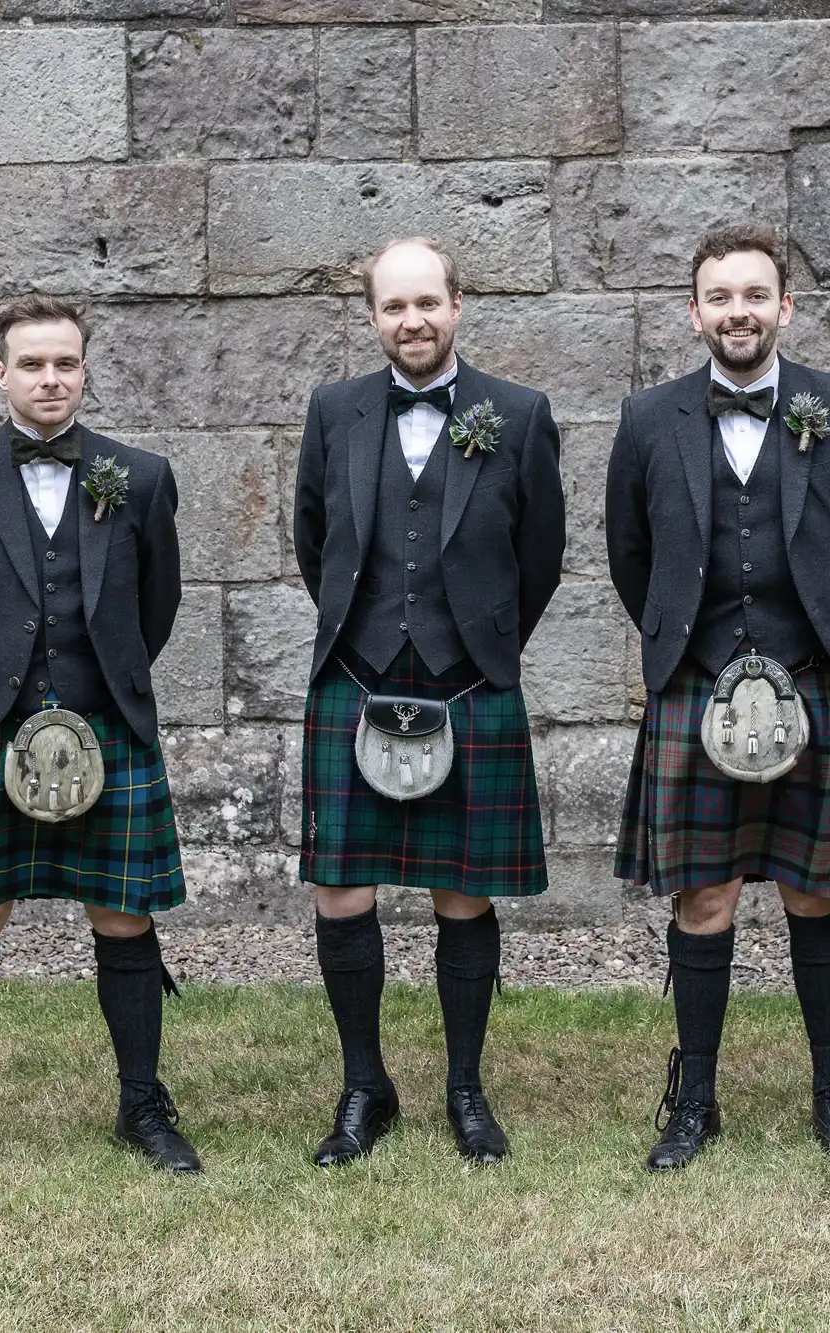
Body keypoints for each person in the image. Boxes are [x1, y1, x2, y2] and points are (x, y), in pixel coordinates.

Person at [605, 221, 830, 1171]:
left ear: (786, 306)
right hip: (697, 689)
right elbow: (630, 555)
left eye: (755, 294)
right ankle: (694, 1100)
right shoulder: (650, 418)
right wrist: (680, 643)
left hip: (816, 685)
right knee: (704, 900)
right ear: (695, 312)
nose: (739, 311)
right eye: (720, 296)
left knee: (817, 896)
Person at [0, 294, 198, 1176]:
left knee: (125, 914)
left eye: (65, 362)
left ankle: (141, 1105)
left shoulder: (137, 475)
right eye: (32, 364)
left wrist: (101, 680)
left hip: (107, 722)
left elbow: (157, 606)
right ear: (1, 373)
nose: (50, 378)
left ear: (86, 369)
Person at [292, 237, 565, 1166]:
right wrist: (365, 634)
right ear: (373, 316)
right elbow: (313, 540)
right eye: (392, 307)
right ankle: (364, 1085)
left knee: (463, 889)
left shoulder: (518, 415)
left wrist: (482, 643)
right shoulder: (335, 411)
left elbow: (541, 558)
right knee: (340, 889)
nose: (411, 321)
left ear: (459, 305)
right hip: (355, 675)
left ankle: (465, 1087)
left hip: (469, 680)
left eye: (427, 304)